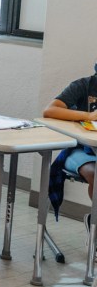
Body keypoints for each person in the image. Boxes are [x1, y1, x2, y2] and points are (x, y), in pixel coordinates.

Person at [41, 66, 97, 219]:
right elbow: (50, 111)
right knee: (96, 173)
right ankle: (95, 225)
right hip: (81, 150)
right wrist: (89, 116)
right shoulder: (84, 85)